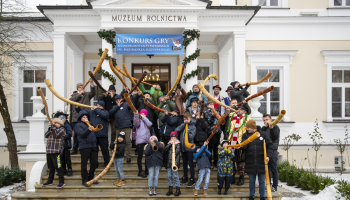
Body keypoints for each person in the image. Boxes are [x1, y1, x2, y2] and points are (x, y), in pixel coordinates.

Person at [239, 119, 273, 200]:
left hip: (262, 161)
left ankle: (262, 196)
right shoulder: (245, 135)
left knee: (262, 181)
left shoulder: (263, 134)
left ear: (253, 127)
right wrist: (240, 146)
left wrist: (268, 156)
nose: (247, 129)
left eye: (248, 128)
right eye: (246, 127)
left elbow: (270, 145)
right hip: (250, 161)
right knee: (251, 181)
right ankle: (251, 196)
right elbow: (244, 147)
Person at [75, 101, 110, 167]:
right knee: (95, 150)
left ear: (103, 107)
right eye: (97, 105)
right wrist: (77, 107)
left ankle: (107, 163)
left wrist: (96, 109)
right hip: (94, 135)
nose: (97, 107)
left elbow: (103, 115)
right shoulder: (92, 112)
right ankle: (95, 164)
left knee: (105, 150)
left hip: (103, 135)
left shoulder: (105, 112)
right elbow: (83, 112)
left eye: (99, 106)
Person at [224, 103, 252, 185]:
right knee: (231, 160)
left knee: (241, 161)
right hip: (232, 142)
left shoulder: (248, 119)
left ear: (245, 111)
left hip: (241, 143)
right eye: (238, 109)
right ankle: (232, 177)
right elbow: (227, 126)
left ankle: (241, 177)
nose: (238, 110)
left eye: (240, 109)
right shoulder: (233, 116)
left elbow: (249, 132)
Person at [70, 78, 95, 154]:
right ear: (77, 89)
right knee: (77, 134)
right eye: (80, 87)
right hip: (76, 117)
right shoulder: (74, 95)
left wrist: (91, 84)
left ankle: (85, 147)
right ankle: (74, 148)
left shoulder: (87, 94)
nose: (81, 88)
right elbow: (71, 100)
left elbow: (93, 93)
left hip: (86, 117)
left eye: (82, 87)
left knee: (87, 132)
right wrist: (80, 94)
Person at [74, 110, 98, 186]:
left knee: (94, 163)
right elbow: (82, 134)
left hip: (93, 146)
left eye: (86, 117)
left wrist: (91, 125)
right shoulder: (78, 125)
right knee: (84, 164)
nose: (85, 118)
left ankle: (91, 178)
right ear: (80, 118)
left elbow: (96, 130)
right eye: (83, 117)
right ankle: (84, 179)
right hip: (84, 146)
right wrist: (88, 129)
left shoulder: (90, 124)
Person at [42, 118, 66, 188]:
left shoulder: (62, 130)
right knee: (51, 167)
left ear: (60, 124)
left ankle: (61, 182)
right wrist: (50, 129)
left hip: (56, 151)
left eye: (56, 123)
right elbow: (46, 135)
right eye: (54, 123)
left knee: (58, 167)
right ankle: (50, 181)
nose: (55, 124)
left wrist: (53, 128)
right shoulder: (52, 130)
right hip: (49, 151)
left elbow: (56, 135)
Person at [109, 95, 133, 163]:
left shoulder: (126, 104)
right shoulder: (114, 107)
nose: (118, 101)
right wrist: (117, 106)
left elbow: (132, 106)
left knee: (127, 141)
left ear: (121, 99)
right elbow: (110, 113)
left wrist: (129, 99)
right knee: (118, 142)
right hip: (118, 127)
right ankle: (119, 155)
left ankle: (128, 156)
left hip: (126, 126)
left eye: (119, 99)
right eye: (116, 100)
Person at [175, 112, 196, 187]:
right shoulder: (183, 125)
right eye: (184, 119)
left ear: (190, 119)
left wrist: (187, 130)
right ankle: (185, 177)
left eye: (187, 119)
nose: (185, 120)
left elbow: (191, 137)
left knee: (190, 163)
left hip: (189, 148)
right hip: (183, 148)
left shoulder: (193, 126)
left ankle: (192, 179)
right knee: (184, 164)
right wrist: (184, 124)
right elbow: (176, 130)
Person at [262, 114, 280, 192]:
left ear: (271, 119)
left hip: (273, 150)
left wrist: (271, 129)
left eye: (267, 119)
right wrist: (266, 127)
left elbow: (274, 137)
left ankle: (275, 186)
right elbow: (261, 136)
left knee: (274, 169)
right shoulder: (263, 128)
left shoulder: (275, 127)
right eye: (264, 120)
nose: (265, 121)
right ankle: (268, 184)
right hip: (265, 151)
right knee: (267, 169)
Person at [133, 109, 152, 178]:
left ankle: (146, 170)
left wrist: (144, 118)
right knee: (140, 156)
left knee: (147, 156)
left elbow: (150, 125)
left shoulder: (146, 120)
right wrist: (136, 115)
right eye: (141, 114)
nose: (142, 115)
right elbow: (135, 124)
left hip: (147, 141)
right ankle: (140, 171)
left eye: (144, 114)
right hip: (140, 141)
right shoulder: (138, 120)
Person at [54, 112, 73, 176]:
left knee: (67, 158)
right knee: (61, 159)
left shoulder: (67, 125)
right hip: (60, 145)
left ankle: (69, 170)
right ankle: (63, 170)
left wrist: (62, 137)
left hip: (66, 144)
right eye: (61, 119)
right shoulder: (58, 126)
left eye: (63, 118)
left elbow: (69, 134)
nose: (62, 120)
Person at [204, 100, 221, 168]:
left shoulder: (217, 110)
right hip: (211, 132)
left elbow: (220, 119)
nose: (211, 106)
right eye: (210, 104)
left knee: (216, 148)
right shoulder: (206, 112)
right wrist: (212, 116)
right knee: (210, 148)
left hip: (217, 131)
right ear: (207, 105)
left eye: (212, 104)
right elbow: (208, 122)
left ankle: (216, 162)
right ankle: (210, 162)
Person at [164, 131, 181, 196]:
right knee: (169, 176)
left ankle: (178, 190)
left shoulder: (178, 144)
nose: (173, 139)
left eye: (175, 138)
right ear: (170, 138)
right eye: (172, 138)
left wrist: (175, 153)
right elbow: (165, 149)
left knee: (175, 176)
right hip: (169, 163)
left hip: (175, 163)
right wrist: (170, 144)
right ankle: (170, 189)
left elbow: (178, 151)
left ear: (176, 138)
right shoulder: (169, 144)